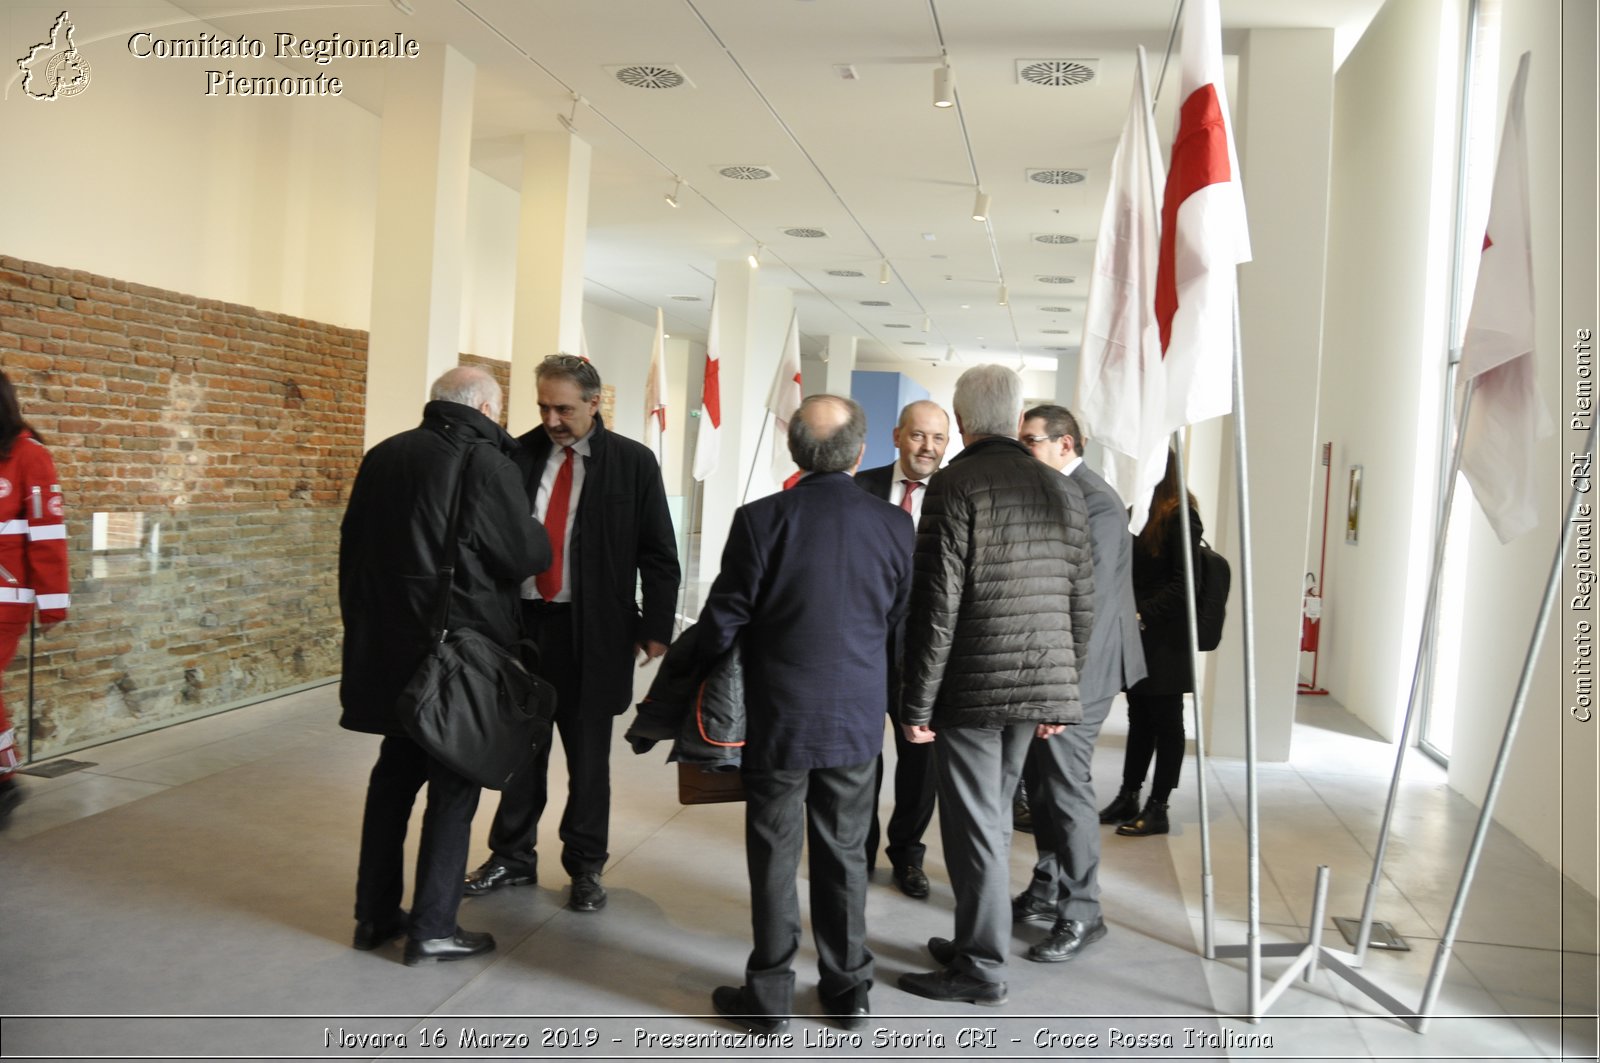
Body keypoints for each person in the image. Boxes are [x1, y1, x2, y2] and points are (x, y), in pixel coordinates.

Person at [696, 395, 913, 1034]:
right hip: (854, 716)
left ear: (794, 449)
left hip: (778, 716)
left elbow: (723, 619)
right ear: (862, 452)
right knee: (846, 852)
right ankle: (848, 992)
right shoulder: (896, 525)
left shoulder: (760, 519)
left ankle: (768, 997)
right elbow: (897, 616)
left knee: (773, 852)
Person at [896, 365, 1094, 1006]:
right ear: (1014, 422)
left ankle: (980, 967)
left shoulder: (954, 484)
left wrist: (916, 701)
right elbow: (1081, 603)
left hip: (974, 688)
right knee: (995, 824)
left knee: (975, 827)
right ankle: (976, 938)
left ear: (959, 422)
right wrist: (1064, 693)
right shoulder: (1062, 488)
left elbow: (936, 605)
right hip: (1040, 682)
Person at [338, 366, 549, 965]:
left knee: (392, 782)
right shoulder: (487, 464)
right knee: (455, 782)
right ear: (484, 405)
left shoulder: (384, 455)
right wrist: (535, 533)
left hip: (391, 649)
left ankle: (374, 915)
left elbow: (353, 551)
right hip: (460, 652)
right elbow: (521, 552)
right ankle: (433, 925)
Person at [467, 354, 680, 912]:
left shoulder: (633, 463)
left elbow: (659, 552)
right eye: (543, 406)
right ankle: (511, 857)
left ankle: (585, 867)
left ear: (594, 403)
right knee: (517, 752)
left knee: (588, 762)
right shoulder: (514, 455)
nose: (552, 419)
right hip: (521, 630)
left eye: (564, 408)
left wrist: (657, 625)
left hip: (595, 635)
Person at [1013, 405, 1147, 962]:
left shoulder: (1096, 502)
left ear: (1065, 444)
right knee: (1044, 785)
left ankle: (1083, 912)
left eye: (1030, 442)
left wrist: (1060, 689)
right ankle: (1046, 890)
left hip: (1083, 668)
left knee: (1066, 789)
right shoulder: (1058, 490)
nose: (1023, 451)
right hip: (1059, 664)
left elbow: (1083, 604)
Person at [852, 399, 949, 899]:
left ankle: (908, 857)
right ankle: (858, 853)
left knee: (920, 762)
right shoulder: (858, 488)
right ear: (897, 436)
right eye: (918, 435)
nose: (927, 447)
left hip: (927, 656)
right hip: (864, 650)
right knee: (861, 759)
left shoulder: (955, 496)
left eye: (937, 438)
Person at [1101, 449, 1203, 838]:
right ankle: (1129, 793)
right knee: (1139, 717)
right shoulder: (1139, 511)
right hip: (1138, 634)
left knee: (1167, 722)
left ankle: (1159, 806)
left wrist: (1143, 616)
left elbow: (1185, 584)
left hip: (1164, 639)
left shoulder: (1180, 514)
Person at [0, 371, 69, 828]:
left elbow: (48, 535)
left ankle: (4, 779)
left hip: (6, 597)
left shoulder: (29, 455)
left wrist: (52, 601)